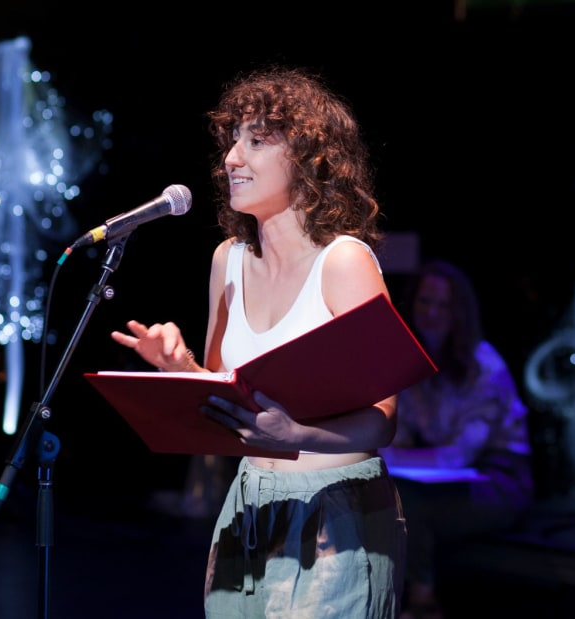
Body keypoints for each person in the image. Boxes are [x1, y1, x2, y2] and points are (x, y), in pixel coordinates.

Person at [109, 66, 406, 618]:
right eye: (232, 140)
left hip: (335, 511)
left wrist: (296, 434)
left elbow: (383, 420)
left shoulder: (343, 262)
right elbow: (225, 399)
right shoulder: (228, 260)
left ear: (309, 158)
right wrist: (179, 368)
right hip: (248, 505)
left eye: (257, 141)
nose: (231, 158)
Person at [379, 259, 534, 619]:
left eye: (443, 305)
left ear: (459, 312)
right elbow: (399, 434)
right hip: (441, 478)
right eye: (425, 301)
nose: (432, 313)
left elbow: (460, 456)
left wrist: (388, 458)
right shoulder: (410, 360)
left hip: (499, 479)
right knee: (383, 496)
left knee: (407, 505)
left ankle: (422, 602)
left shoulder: (484, 366)